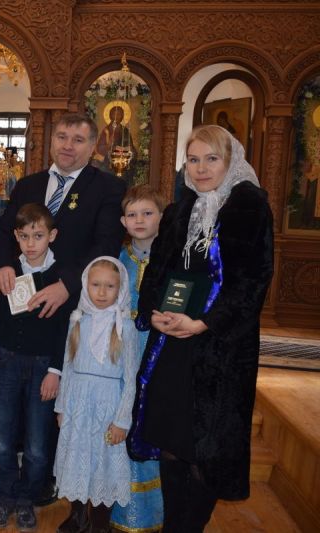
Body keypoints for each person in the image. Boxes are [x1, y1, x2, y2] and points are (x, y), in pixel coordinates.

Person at [127, 125, 274, 531]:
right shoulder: (180, 210)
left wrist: (205, 322)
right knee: (172, 442)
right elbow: (158, 271)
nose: (202, 168)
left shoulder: (249, 208)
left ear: (230, 161)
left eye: (211, 159)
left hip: (219, 350)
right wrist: (153, 311)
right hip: (172, 343)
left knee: (204, 451)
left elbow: (252, 283)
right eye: (193, 160)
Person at [0, 112, 127, 506]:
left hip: (73, 304)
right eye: (62, 137)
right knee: (12, 401)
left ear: (93, 146)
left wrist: (66, 285)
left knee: (50, 400)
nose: (68, 145)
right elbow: (3, 231)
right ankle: (12, 475)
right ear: (51, 140)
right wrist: (2, 264)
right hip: (19, 302)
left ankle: (46, 480)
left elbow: (104, 245)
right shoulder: (29, 184)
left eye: (78, 139)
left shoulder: (108, 187)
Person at [0, 203, 66, 532]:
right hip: (6, 361)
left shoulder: (60, 277)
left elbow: (65, 328)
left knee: (37, 444)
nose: (31, 244)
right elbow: (2, 317)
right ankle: (4, 497)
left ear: (52, 236)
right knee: (2, 439)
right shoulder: (11, 270)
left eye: (38, 236)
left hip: (43, 367)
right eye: (25, 236)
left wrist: (56, 371)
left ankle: (27, 499)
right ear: (16, 237)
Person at [54, 257, 140, 533]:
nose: (102, 292)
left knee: (104, 464)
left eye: (109, 286)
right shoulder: (78, 320)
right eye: (96, 285)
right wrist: (62, 407)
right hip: (78, 403)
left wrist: (122, 420)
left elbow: (130, 379)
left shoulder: (126, 327)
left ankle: (101, 523)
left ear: (120, 288)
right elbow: (67, 366)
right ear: (86, 285)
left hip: (108, 407)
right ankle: (78, 517)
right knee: (77, 457)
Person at [110, 185, 166, 532]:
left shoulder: (170, 258)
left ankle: (153, 514)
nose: (140, 220)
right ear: (123, 221)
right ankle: (117, 511)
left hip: (158, 353)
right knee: (122, 418)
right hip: (121, 355)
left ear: (162, 217)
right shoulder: (118, 260)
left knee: (151, 422)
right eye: (132, 214)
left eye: (148, 213)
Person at [93, 105, 136, 186]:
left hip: (123, 160)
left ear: (122, 116)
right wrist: (109, 145)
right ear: (110, 116)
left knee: (125, 175)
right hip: (108, 161)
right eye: (114, 114)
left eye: (119, 114)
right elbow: (99, 149)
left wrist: (129, 150)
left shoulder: (125, 131)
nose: (116, 117)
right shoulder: (106, 131)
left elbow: (131, 148)